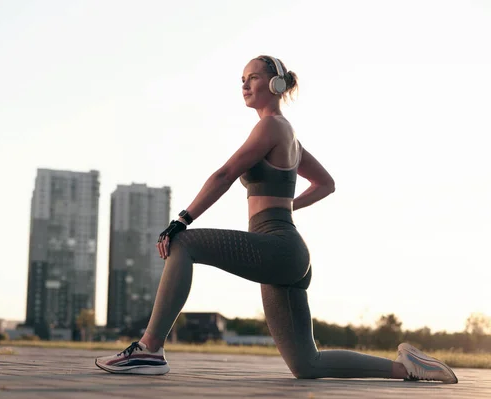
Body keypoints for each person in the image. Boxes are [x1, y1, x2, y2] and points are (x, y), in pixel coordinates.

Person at [95, 55, 458, 384]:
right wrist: (288, 208)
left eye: (252, 77)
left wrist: (182, 220)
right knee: (306, 365)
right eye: (241, 79)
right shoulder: (290, 136)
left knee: (184, 243)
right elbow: (325, 184)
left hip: (279, 248)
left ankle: (150, 349)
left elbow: (225, 175)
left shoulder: (271, 128)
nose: (244, 85)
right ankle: (409, 367)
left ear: (276, 84)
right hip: (286, 252)